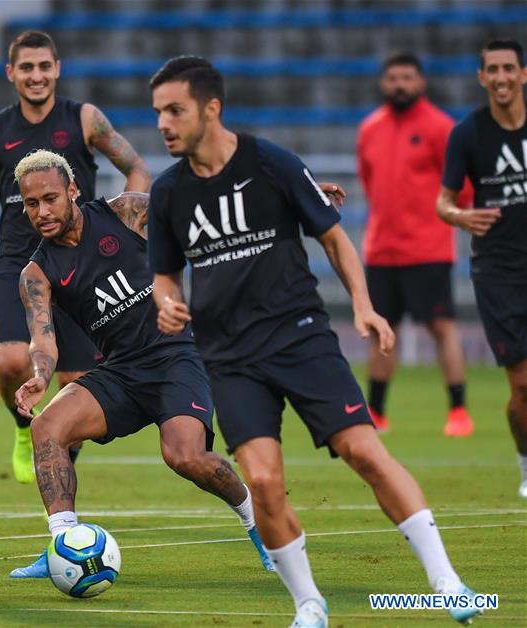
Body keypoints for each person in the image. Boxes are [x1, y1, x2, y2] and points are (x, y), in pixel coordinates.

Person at [146, 56, 479, 627]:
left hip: (300, 338)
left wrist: (364, 305)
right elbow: (165, 273)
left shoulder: (271, 162)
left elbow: (334, 239)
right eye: (158, 113)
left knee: (364, 453)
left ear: (211, 108)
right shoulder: (168, 192)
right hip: (228, 358)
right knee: (264, 480)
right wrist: (167, 304)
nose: (163, 123)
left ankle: (447, 581)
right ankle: (309, 603)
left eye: (175, 110)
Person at [6, 149, 272, 579]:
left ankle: (260, 523)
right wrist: (39, 374)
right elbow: (43, 339)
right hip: (122, 370)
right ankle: (63, 544)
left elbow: (198, 207)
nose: (43, 211)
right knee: (46, 427)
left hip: (176, 356)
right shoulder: (36, 273)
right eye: (31, 204)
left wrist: (299, 197)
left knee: (185, 457)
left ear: (73, 190)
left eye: (51, 198)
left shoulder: (124, 212)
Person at [0, 30, 151, 483]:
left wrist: (124, 228)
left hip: (79, 265)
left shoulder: (85, 119)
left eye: (44, 66)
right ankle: (25, 429)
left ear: (57, 69)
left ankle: (60, 458)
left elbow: (136, 166)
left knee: (75, 381)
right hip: (17, 260)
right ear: (11, 73)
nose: (36, 75)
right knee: (9, 362)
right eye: (26, 67)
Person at [357, 52, 474, 436]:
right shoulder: (369, 129)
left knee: (442, 327)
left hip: (427, 249)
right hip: (382, 249)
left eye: (407, 77)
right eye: (393, 78)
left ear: (420, 82)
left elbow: (462, 188)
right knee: (381, 330)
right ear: (383, 83)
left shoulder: (441, 127)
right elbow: (370, 181)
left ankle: (458, 411)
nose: (400, 84)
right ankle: (376, 411)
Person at [437, 39, 527, 498]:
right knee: (523, 383)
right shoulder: (468, 134)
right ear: (481, 77)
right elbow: (443, 202)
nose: (501, 77)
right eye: (492, 69)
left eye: (509, 68)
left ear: (524, 74)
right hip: (499, 271)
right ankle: (526, 461)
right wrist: (460, 216)